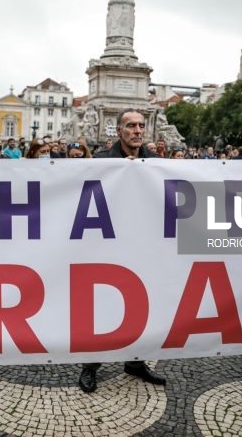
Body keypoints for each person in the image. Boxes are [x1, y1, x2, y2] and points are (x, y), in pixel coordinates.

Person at [79, 109, 164, 394]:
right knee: (104, 307)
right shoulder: (103, 160)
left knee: (142, 306)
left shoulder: (155, 161)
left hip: (143, 245)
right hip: (109, 245)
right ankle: (91, 365)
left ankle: (135, 362)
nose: (137, 130)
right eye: (131, 126)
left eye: (141, 125)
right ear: (119, 131)